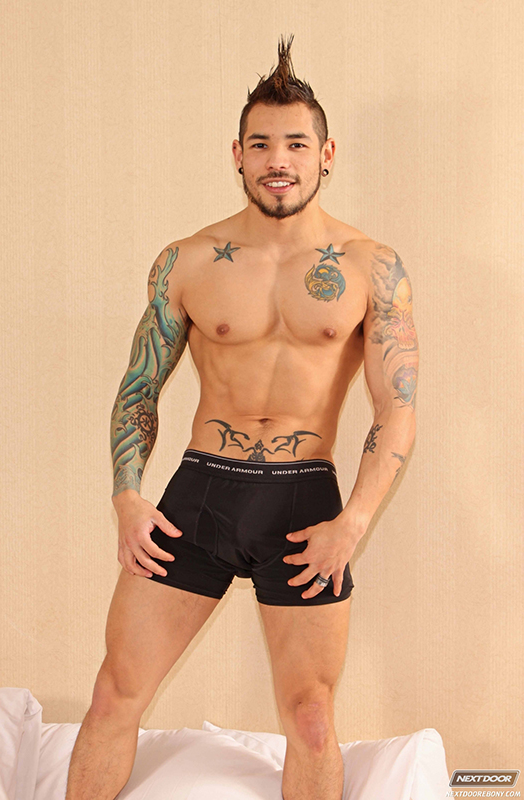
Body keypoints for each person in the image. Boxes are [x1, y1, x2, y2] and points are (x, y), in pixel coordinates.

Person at [65, 33, 418, 800]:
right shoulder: (187, 260)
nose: (277, 159)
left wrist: (353, 523)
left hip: (304, 506)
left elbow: (396, 409)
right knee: (114, 695)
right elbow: (138, 389)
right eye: (261, 144)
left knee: (312, 719)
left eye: (295, 143)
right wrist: (127, 496)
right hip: (198, 498)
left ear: (326, 154)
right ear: (237, 154)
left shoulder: (371, 266)